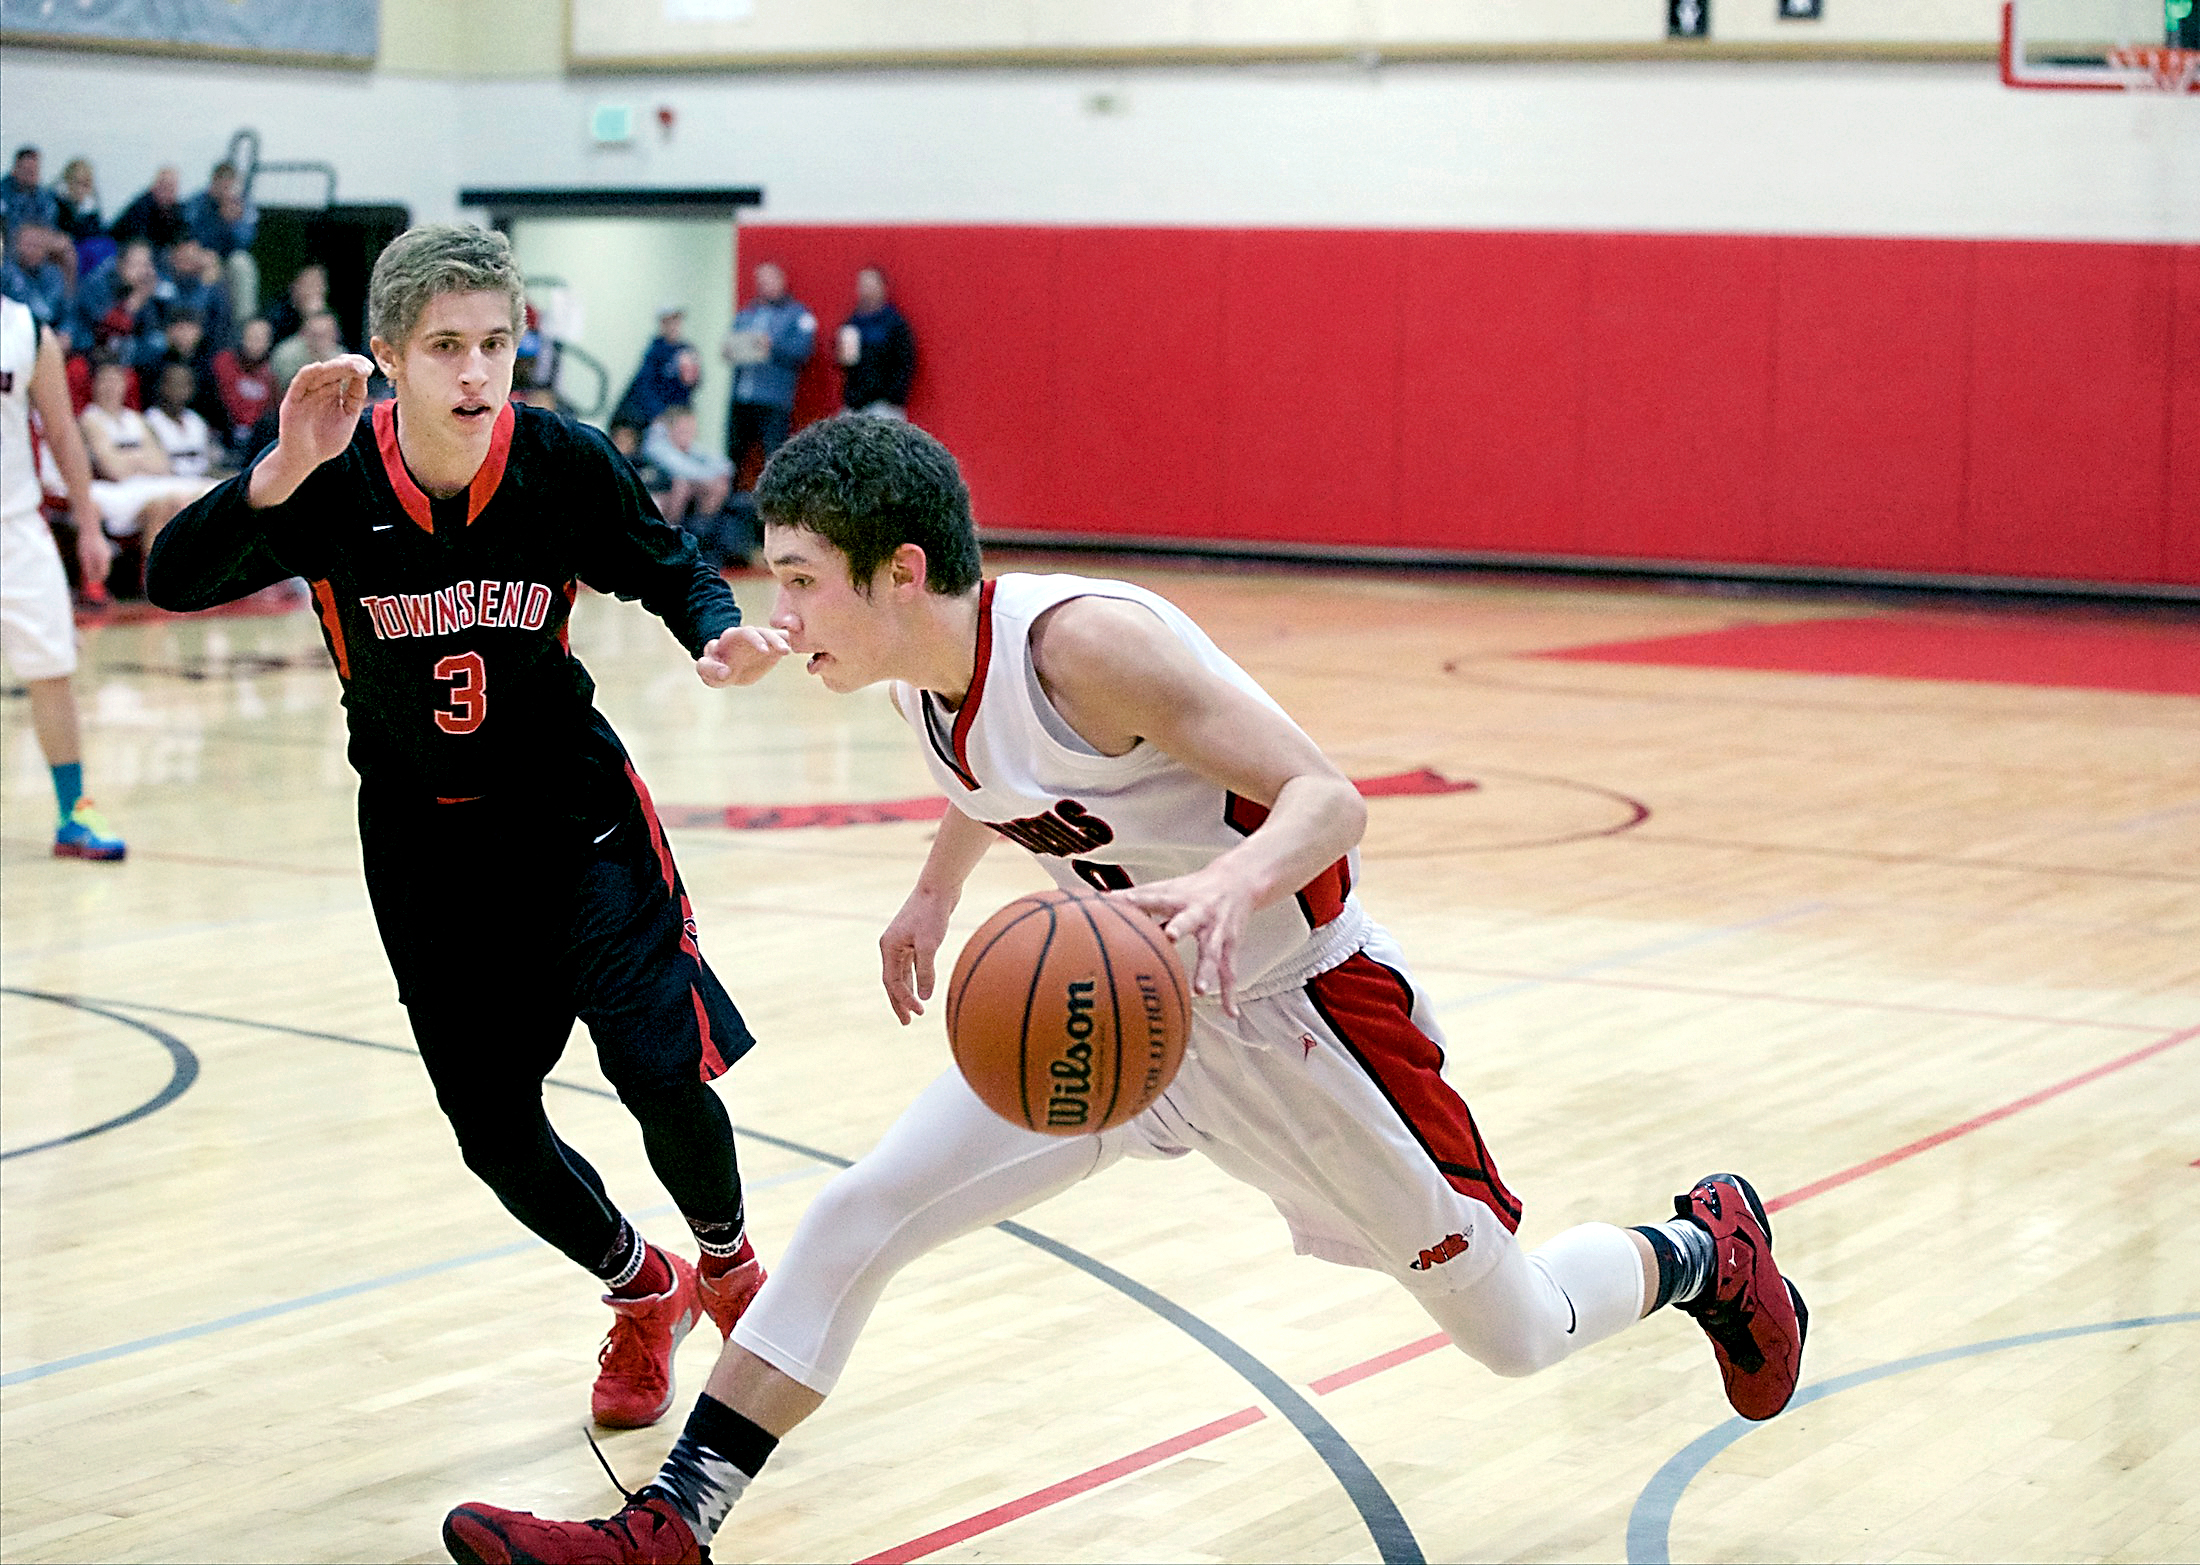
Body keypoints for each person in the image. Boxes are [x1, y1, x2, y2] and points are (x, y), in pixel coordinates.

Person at [439, 415, 1810, 1564]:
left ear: (899, 569)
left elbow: (1329, 803)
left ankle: (1706, 1249)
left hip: (1302, 1018)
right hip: (1120, 1026)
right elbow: (1005, 783)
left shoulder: (1088, 647)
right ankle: (673, 1526)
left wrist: (1230, 884)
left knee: (1512, 1332)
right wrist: (932, 888)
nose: (780, 612)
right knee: (863, 1209)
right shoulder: (926, 667)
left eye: (799, 580)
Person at [146, 222, 792, 1431]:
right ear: (387, 353)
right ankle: (640, 1287)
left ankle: (730, 1257)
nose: (475, 372)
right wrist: (277, 468)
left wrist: (716, 630)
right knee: (493, 1132)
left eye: (495, 342)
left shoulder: (560, 461)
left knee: (661, 1068)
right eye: (445, 345)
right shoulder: (328, 478)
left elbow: (669, 562)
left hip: (576, 820)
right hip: (425, 848)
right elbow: (172, 580)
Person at [0, 292, 127, 858]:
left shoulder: (26, 330)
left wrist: (89, 525)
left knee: (53, 672)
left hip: (15, 528)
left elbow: (62, 433)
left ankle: (74, 817)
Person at [78, 354, 208, 555]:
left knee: (203, 495)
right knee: (166, 504)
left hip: (147, 483)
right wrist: (140, 457)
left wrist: (126, 457)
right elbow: (114, 469)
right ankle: (152, 575)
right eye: (105, 381)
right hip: (116, 491)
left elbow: (163, 465)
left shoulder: (136, 419)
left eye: (115, 380)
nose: (110, 387)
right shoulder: (90, 418)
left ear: (125, 384)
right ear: (94, 385)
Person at [720, 262, 813, 486]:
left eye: (769, 280)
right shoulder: (746, 314)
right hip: (742, 398)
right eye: (760, 282)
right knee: (732, 457)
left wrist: (772, 345)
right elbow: (732, 344)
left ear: (782, 281)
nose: (764, 286)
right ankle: (727, 512)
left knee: (774, 459)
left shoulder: (796, 315)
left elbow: (802, 351)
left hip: (773, 401)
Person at [2, 149, 77, 327]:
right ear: (15, 169)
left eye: (34, 171)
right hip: (8, 246)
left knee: (68, 251)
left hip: (36, 243)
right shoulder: (3, 192)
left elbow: (48, 226)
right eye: (26, 170)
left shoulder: (44, 197)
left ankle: (69, 299)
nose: (30, 175)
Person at [181, 159, 259, 319]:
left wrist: (232, 225)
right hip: (201, 254)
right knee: (204, 263)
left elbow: (245, 243)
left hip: (227, 258)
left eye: (230, 186)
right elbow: (190, 237)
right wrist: (219, 222)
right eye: (222, 185)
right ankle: (195, 319)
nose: (226, 191)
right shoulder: (197, 203)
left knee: (242, 263)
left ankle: (244, 322)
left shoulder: (242, 206)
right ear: (214, 182)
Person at [836, 266, 914, 418]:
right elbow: (845, 362)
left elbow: (905, 361)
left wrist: (893, 396)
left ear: (883, 287)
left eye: (871, 285)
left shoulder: (894, 323)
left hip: (884, 406)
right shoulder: (852, 323)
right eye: (863, 285)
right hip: (855, 404)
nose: (866, 290)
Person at [613, 305, 700, 434]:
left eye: (677, 321)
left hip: (677, 421)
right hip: (654, 420)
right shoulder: (654, 352)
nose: (674, 326)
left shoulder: (687, 350)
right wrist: (659, 415)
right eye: (669, 321)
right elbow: (644, 388)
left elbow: (692, 386)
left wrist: (690, 374)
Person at [641, 406, 733, 528]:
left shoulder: (690, 447)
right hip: (655, 490)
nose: (688, 434)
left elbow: (726, 466)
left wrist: (714, 477)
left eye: (691, 429)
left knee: (720, 485)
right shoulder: (656, 446)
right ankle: (670, 532)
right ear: (670, 428)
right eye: (683, 429)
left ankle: (701, 530)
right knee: (681, 484)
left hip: (685, 486)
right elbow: (682, 469)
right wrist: (710, 476)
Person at [212, 316, 276, 457]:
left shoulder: (272, 371)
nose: (256, 343)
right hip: (224, 432)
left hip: (259, 439)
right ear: (241, 337)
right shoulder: (224, 362)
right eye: (252, 337)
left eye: (262, 338)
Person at [144, 362, 218, 478]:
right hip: (166, 484)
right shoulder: (150, 420)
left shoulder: (196, 421)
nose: (180, 390)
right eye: (174, 384)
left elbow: (207, 461)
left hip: (201, 482)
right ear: (161, 386)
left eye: (185, 384)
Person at [109, 164, 188, 252]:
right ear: (155, 186)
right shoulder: (141, 208)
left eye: (172, 188)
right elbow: (141, 243)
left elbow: (181, 237)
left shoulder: (175, 208)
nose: (168, 192)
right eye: (165, 186)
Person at [269, 308, 343, 394]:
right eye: (315, 335)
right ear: (304, 333)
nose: (320, 341)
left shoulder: (342, 357)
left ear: (336, 335)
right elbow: (289, 390)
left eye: (325, 334)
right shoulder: (286, 354)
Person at [263, 261, 328, 344]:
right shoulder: (279, 315)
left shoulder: (328, 317)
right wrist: (309, 316)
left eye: (319, 285)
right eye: (309, 284)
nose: (314, 290)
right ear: (294, 286)